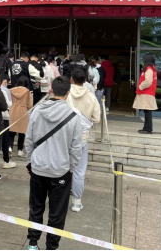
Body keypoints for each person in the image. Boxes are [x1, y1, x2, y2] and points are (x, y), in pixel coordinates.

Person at [25, 76, 83, 251]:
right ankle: (52, 247)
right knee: (57, 213)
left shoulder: (37, 111)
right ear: (68, 92)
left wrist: (30, 161)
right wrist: (70, 168)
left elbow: (29, 139)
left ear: (51, 90)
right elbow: (76, 148)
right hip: (61, 170)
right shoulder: (73, 117)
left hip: (38, 168)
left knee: (36, 208)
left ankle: (32, 244)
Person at [67, 69, 101, 213]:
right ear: (85, 80)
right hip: (81, 138)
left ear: (71, 79)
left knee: (62, 169)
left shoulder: (65, 93)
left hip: (64, 136)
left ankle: (59, 199)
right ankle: (76, 202)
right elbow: (97, 118)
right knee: (79, 171)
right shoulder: (91, 97)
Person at [9, 76, 34, 158]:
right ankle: (20, 150)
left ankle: (10, 147)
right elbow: (30, 105)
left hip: (13, 110)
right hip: (23, 112)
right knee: (22, 132)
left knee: (11, 131)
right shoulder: (27, 92)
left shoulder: (11, 90)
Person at [135, 54, 158, 135]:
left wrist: (140, 86)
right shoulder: (152, 69)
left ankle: (148, 129)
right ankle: (146, 128)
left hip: (146, 93)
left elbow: (148, 81)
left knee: (147, 112)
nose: (143, 61)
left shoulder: (149, 69)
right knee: (147, 111)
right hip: (148, 93)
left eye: (144, 59)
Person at [0, 74, 16, 169]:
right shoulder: (6, 90)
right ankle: (6, 161)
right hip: (5, 117)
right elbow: (9, 104)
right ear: (5, 81)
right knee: (5, 140)